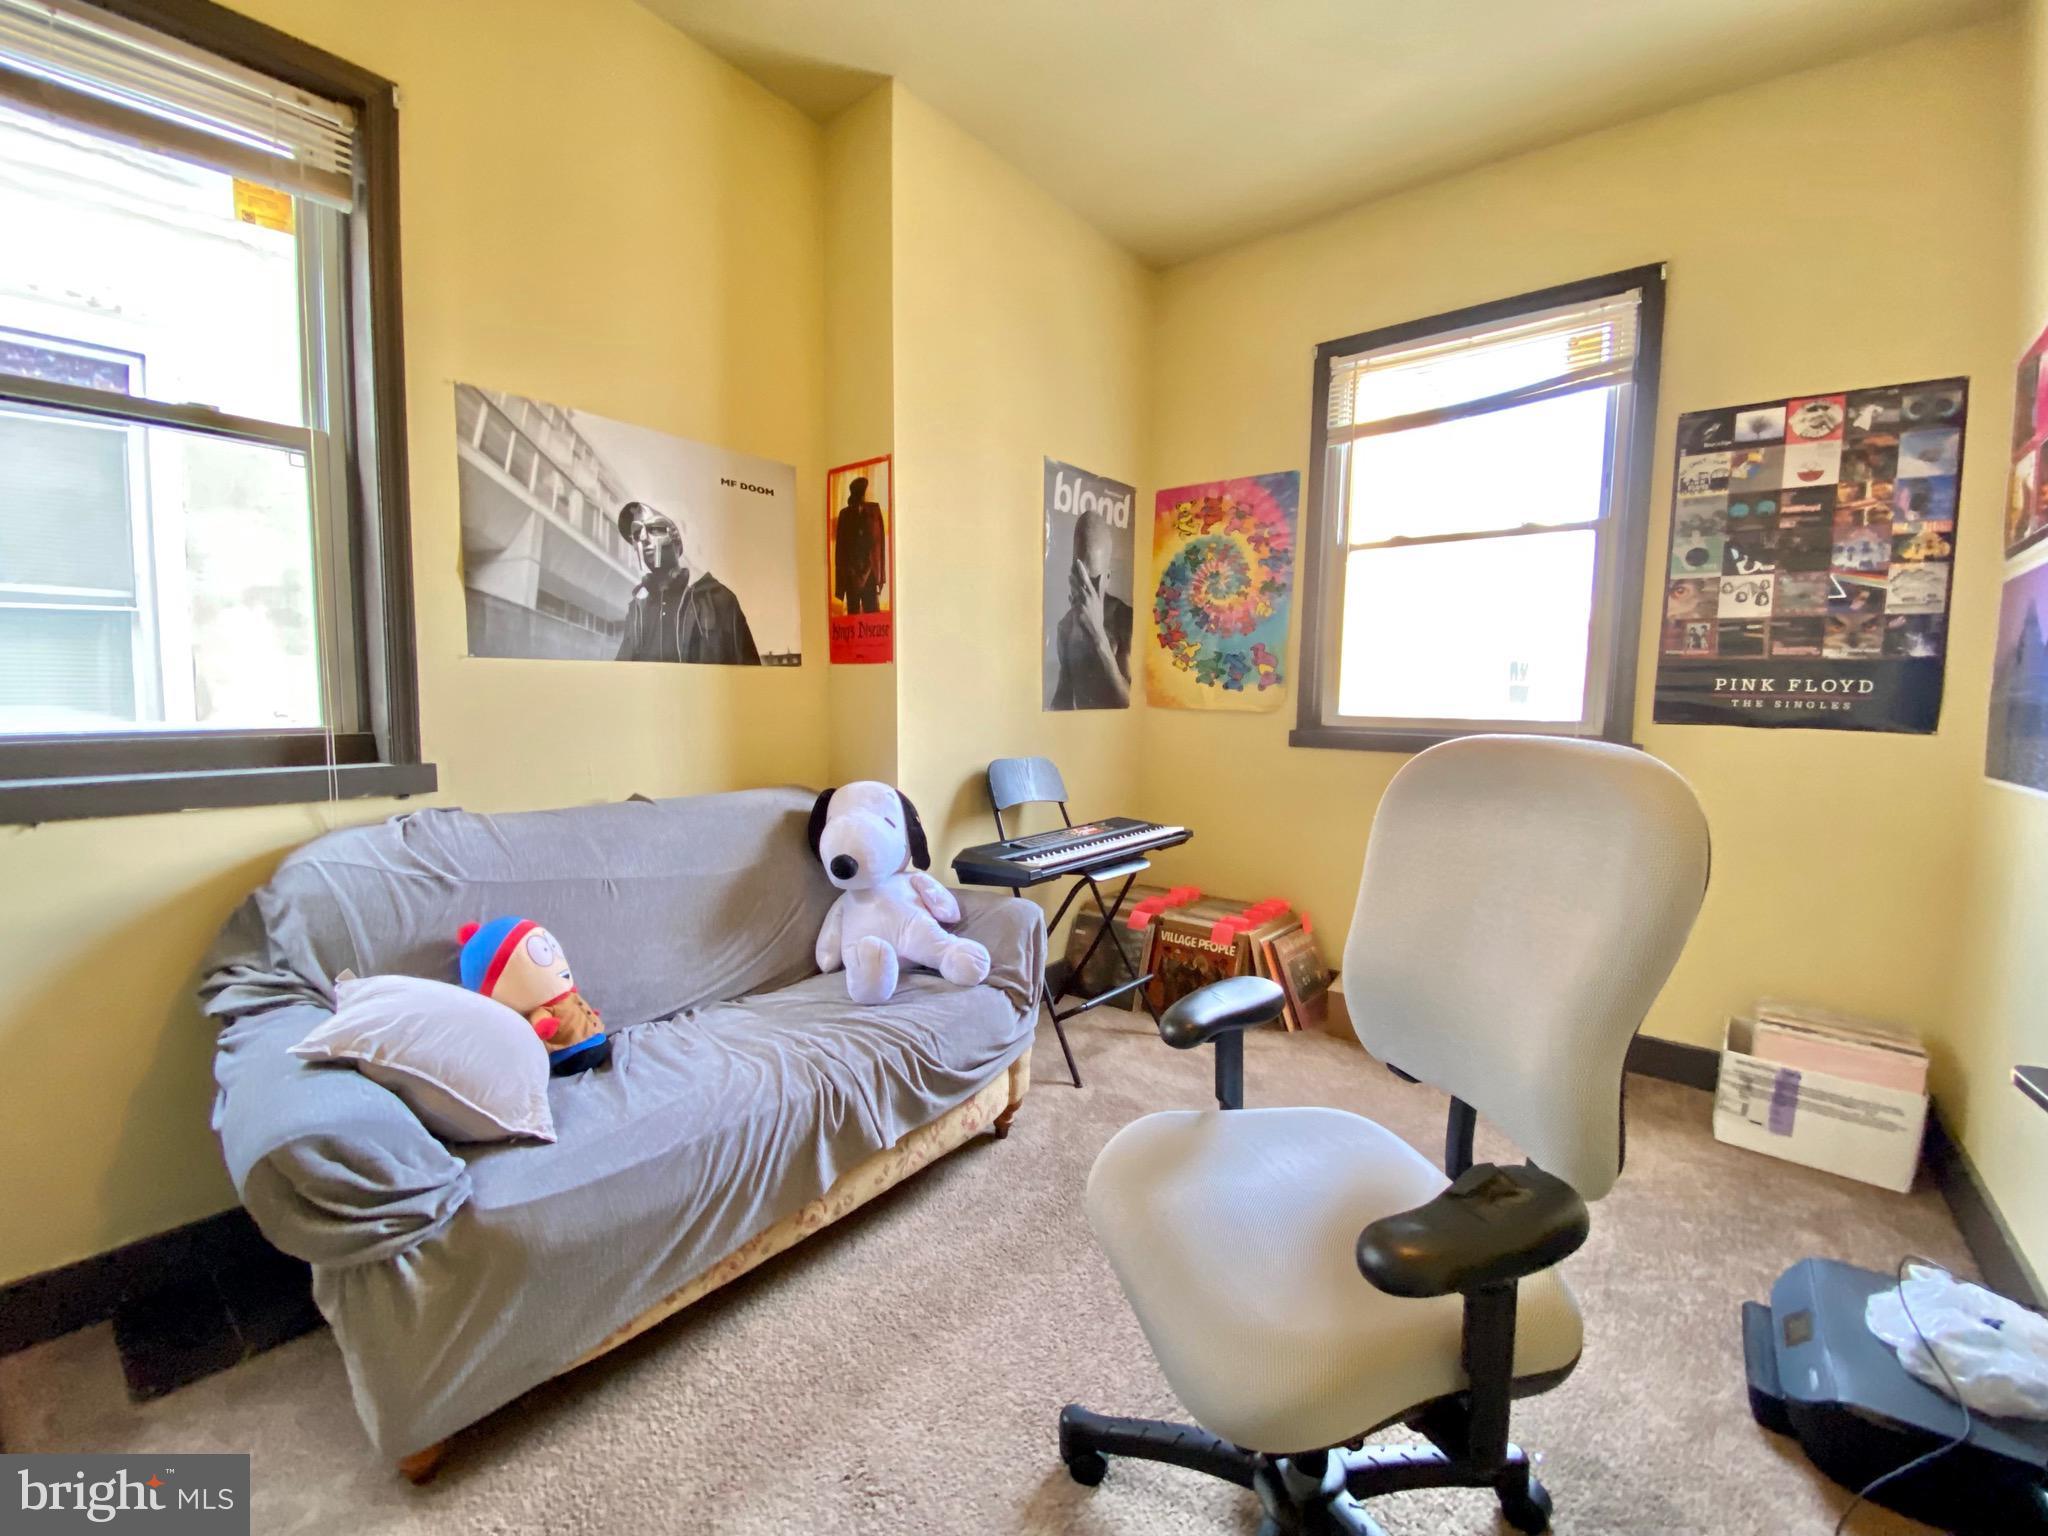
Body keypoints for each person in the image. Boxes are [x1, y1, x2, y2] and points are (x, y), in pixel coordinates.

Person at [614, 501, 760, 665]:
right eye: (636, 533)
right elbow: (622, 670)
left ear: (676, 537)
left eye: (654, 529)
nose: (643, 539)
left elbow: (750, 672)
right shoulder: (636, 611)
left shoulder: (720, 601)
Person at [1050, 508, 1131, 709]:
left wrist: (1098, 635)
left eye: (1092, 581)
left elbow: (1130, 702)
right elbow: (1062, 701)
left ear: (1107, 579)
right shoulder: (1066, 628)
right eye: (1078, 577)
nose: (1084, 590)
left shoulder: (1125, 620)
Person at [833, 476, 888, 615]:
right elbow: (840, 549)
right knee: (853, 616)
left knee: (873, 615)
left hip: (871, 572)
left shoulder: (874, 511)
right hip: (852, 575)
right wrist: (842, 582)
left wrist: (880, 575)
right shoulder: (845, 514)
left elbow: (880, 544)